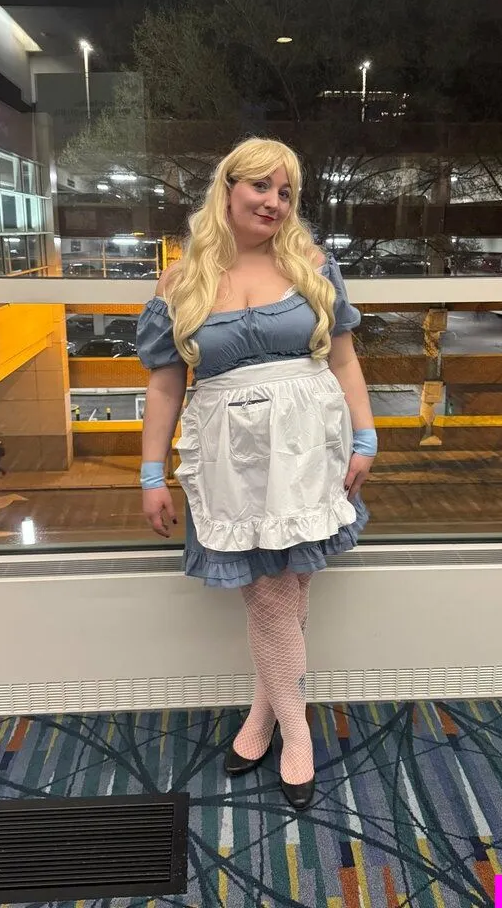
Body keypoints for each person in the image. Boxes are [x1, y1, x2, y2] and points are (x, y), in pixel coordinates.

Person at [136, 138, 376, 810]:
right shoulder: (181, 282)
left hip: (309, 448)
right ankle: (295, 731)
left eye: (286, 192)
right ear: (228, 188)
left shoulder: (312, 265)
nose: (274, 202)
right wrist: (151, 474)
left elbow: (344, 359)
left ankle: (269, 722)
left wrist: (366, 435)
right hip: (231, 460)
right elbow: (165, 384)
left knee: (290, 589)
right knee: (269, 598)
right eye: (261, 187)